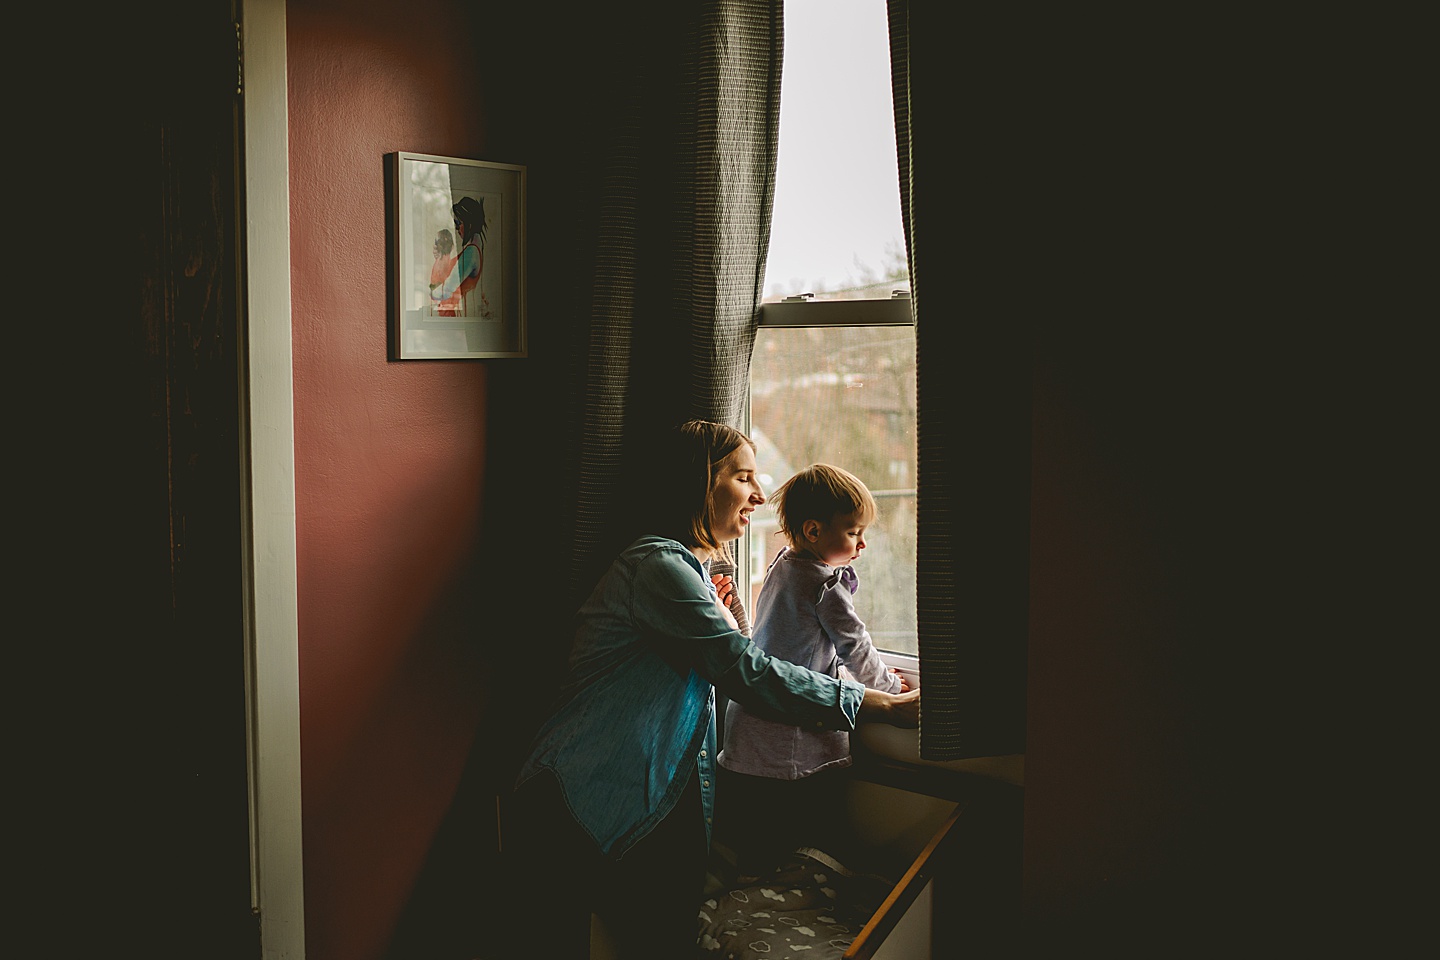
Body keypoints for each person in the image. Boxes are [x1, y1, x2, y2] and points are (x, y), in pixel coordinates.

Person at [505, 421, 920, 959]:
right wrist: (871, 702)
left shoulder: (694, 573)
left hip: (650, 800)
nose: (760, 494)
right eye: (743, 477)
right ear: (700, 483)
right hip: (580, 800)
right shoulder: (655, 567)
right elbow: (744, 669)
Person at [717, 463, 912, 874]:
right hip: (790, 735)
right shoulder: (825, 585)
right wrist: (892, 692)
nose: (862, 544)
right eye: (854, 532)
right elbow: (854, 646)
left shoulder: (783, 566)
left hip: (748, 725)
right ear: (813, 532)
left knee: (753, 836)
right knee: (797, 835)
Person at [429, 195, 490, 317]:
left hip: (465, 318)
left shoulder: (471, 252)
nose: (456, 228)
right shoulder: (476, 248)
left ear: (469, 223)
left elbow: (447, 289)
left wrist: (430, 292)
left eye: (458, 223)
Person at [427, 228, 459, 316]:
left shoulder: (436, 264)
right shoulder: (452, 264)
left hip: (441, 310)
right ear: (452, 246)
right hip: (447, 311)